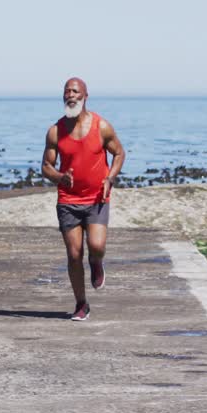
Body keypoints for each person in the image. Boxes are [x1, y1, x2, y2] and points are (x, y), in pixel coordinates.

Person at [41, 77, 126, 321]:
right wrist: (59, 177)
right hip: (68, 200)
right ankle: (81, 304)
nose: (71, 95)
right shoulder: (56, 131)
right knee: (74, 254)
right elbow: (46, 166)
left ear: (85, 96)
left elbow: (119, 153)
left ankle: (97, 263)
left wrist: (110, 178)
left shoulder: (102, 127)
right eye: (67, 92)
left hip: (97, 198)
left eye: (75, 91)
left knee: (96, 247)